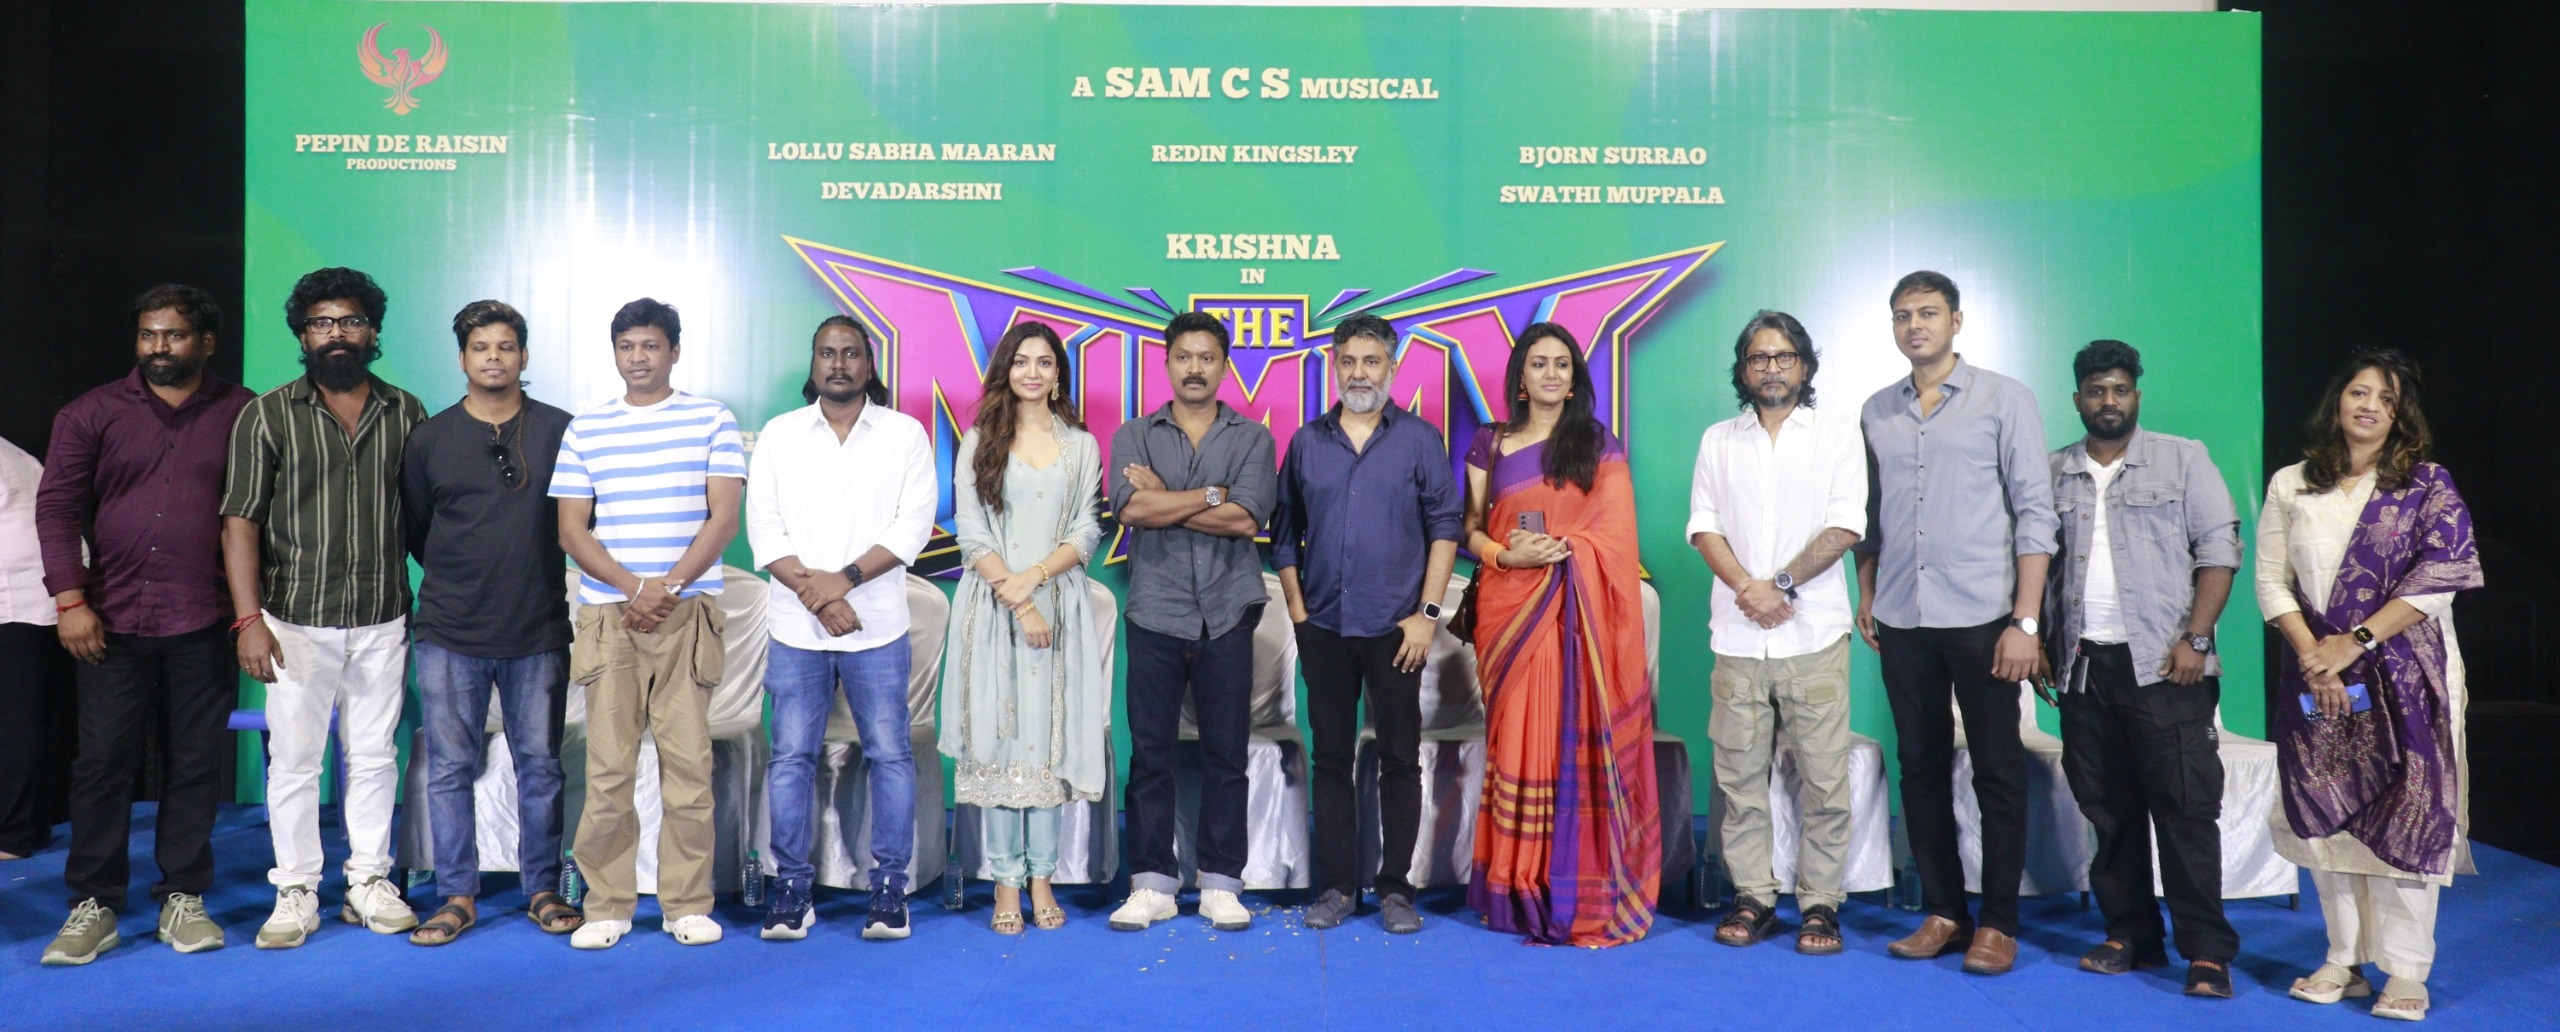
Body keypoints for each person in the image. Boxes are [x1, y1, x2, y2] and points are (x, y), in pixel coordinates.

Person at [35, 285, 253, 965]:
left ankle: (182, 896)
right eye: (148, 335)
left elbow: (259, 514)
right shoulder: (90, 413)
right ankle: (93, 903)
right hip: (109, 623)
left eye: (175, 335)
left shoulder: (245, 413)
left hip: (204, 619)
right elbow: (57, 509)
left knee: (195, 764)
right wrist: (70, 601)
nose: (159, 347)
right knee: (102, 765)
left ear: (206, 342)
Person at [2257, 349, 2477, 1022]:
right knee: (2328, 803)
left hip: (2408, 673)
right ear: (2338, 401)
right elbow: (2271, 581)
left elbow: (2443, 574)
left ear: (2401, 415)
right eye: (2359, 392)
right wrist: (2316, 657)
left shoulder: (2427, 485)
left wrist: (2352, 643)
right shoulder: (2293, 483)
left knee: (2409, 806)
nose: (2370, 406)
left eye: (2386, 399)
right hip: (2316, 674)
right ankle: (2342, 957)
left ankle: (2406, 970)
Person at [1853, 271, 2055, 976]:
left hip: (1985, 616)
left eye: (1928, 313)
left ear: (1957, 321)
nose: (1915, 326)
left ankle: (1997, 923)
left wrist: (2026, 621)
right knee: (1920, 766)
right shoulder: (1877, 410)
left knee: (1998, 770)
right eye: (1903, 315)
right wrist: (1867, 592)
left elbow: (2036, 514)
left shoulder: (2005, 399)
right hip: (1902, 616)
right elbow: (1870, 517)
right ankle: (1943, 911)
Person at [221, 267, 429, 948]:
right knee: (294, 762)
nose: (337, 333)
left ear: (373, 331)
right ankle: (296, 890)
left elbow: (425, 520)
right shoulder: (267, 414)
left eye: (351, 321)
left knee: (373, 757)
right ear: (303, 334)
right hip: (293, 620)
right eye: (321, 323)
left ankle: (369, 881)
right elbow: (240, 523)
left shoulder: (407, 412)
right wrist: (249, 620)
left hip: (381, 615)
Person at [2038, 340, 2242, 997]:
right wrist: (2038, 637)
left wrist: (2197, 639)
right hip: (2084, 668)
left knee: (2185, 812)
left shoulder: (2184, 459)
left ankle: (2205, 952)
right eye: (2097, 391)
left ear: (2136, 396)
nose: (2109, 401)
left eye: (2120, 390)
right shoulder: (2054, 470)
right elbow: (2034, 558)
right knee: (2109, 814)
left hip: (2165, 668)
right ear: (2078, 399)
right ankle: (2131, 934)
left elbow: (2219, 549)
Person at [552, 298, 745, 949]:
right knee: (608, 770)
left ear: (674, 351)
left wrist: (668, 587)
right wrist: (634, 587)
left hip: (687, 615)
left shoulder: (712, 419)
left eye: (651, 345)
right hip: (611, 616)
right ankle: (607, 905)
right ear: (615, 353)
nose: (638, 357)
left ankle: (686, 904)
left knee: (688, 769)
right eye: (627, 346)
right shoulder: (587, 428)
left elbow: (723, 518)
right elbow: (571, 529)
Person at [1463, 321, 1660, 948]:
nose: (1551, 374)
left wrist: (1562, 548)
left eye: (1562, 364)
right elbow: (1471, 530)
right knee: (1517, 743)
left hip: (1577, 616)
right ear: (1520, 378)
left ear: (1574, 379)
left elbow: (1617, 537)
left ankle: (1569, 885)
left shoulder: (1597, 445)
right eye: (1538, 363)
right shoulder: (1490, 443)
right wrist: (1506, 555)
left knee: (1562, 744)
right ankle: (1514, 884)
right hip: (1509, 611)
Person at [747, 315, 934, 942]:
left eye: (851, 353)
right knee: (790, 757)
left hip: (875, 624)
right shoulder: (781, 434)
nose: (838, 363)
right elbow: (764, 529)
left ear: (868, 363)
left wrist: (844, 580)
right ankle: (791, 889)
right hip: (796, 628)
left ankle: (889, 888)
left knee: (890, 755)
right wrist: (818, 596)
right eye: (827, 353)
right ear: (813, 361)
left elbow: (912, 526)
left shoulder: (903, 434)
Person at [399, 300, 580, 946]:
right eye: (481, 348)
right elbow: (418, 528)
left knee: (541, 767)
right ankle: (456, 894)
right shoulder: (430, 439)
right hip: (451, 632)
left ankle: (542, 889)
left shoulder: (560, 430)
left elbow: (580, 523)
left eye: (506, 346)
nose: (494, 358)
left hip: (537, 629)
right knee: (450, 768)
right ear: (462, 359)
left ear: (523, 356)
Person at [1273, 313, 1460, 935]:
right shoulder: (1307, 441)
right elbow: (1283, 535)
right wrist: (1298, 611)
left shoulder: (1420, 440)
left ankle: (1396, 890)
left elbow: (1445, 529)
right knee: (1331, 759)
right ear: (1335, 365)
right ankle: (1336, 887)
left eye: (1371, 361)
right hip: (1323, 626)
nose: (1359, 373)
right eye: (1349, 361)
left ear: (1392, 368)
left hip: (1398, 630)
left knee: (1400, 760)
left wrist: (1426, 617)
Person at [1687, 311, 1865, 955]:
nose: (1771, 368)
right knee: (1739, 784)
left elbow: (1846, 525)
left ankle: (1821, 906)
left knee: (1825, 783)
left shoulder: (1838, 435)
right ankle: (1754, 898)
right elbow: (1704, 525)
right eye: (1759, 358)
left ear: (1805, 366)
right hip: (1739, 639)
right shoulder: (1719, 440)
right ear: (1743, 370)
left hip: (1812, 637)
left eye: (1784, 357)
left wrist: (1781, 585)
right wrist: (1749, 589)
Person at [1106, 311, 1277, 933]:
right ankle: (1152, 883)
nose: (1195, 368)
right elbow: (1131, 510)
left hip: (1228, 611)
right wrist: (1211, 494)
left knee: (1225, 755)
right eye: (1184, 357)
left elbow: (1246, 519)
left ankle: (1221, 884)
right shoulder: (1134, 434)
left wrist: (1169, 500)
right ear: (1168, 363)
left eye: (1207, 358)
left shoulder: (1253, 437)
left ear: (1224, 367)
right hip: (1156, 609)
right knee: (1151, 755)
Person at [938, 321, 1108, 935]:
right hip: (993, 609)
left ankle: (1043, 877)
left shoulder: (1081, 445)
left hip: (1059, 605)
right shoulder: (980, 441)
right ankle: (1005, 881)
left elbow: (1086, 529)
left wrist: (1034, 578)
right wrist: (1017, 600)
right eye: (1021, 361)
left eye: (1044, 362)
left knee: (1050, 741)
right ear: (1005, 371)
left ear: (1058, 374)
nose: (1032, 372)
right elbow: (971, 531)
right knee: (1002, 737)